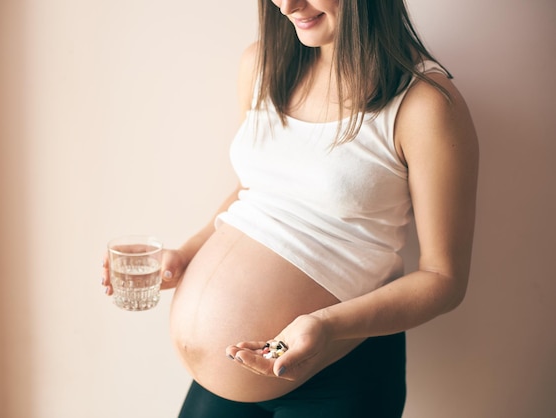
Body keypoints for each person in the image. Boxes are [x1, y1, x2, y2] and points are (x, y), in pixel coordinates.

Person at [102, 0, 479, 416]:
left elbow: (444, 279)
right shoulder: (264, 64)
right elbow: (258, 190)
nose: (286, 4)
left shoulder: (426, 103)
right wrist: (186, 254)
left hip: (337, 373)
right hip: (231, 376)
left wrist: (325, 324)